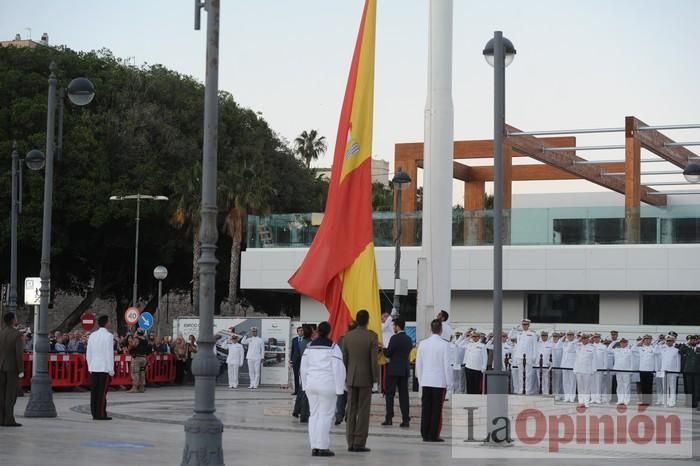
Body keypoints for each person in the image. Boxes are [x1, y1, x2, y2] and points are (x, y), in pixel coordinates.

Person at [300, 321, 346, 457]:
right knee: (325, 415)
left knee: (313, 415)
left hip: (311, 385)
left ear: (318, 331)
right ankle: (322, 446)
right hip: (327, 385)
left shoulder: (309, 348)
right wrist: (340, 389)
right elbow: (338, 369)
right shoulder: (333, 348)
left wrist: (304, 385)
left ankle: (314, 446)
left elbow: (303, 368)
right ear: (329, 332)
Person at [342, 309, 379, 453]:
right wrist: (375, 379)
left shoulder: (348, 336)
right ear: (368, 320)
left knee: (351, 410)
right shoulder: (372, 337)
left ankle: (350, 441)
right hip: (365, 378)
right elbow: (373, 361)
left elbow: (344, 359)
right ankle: (359, 442)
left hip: (350, 377)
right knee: (363, 411)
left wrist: (345, 376)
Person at [416, 319, 452, 442]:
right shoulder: (444, 344)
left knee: (426, 408)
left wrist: (421, 380)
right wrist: (449, 383)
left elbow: (419, 365)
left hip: (426, 380)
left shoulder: (423, 343)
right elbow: (447, 366)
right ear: (441, 330)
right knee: (436, 409)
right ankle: (433, 434)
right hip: (439, 381)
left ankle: (424, 433)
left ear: (431, 329)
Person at [382, 316, 412, 427]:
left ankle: (389, 418)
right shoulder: (408, 339)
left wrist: (382, 348)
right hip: (404, 369)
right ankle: (406, 419)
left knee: (390, 394)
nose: (393, 327)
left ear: (397, 326)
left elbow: (388, 353)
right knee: (404, 395)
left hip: (393, 369)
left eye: (394, 325)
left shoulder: (394, 338)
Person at [86, 315, 115, 420]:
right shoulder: (108, 336)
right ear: (106, 323)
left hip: (94, 366)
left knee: (94, 391)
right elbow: (109, 353)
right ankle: (101, 413)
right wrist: (111, 368)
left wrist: (90, 365)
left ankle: (94, 412)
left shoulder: (92, 335)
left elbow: (88, 352)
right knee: (102, 393)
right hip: (104, 367)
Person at [0, 313, 24, 427]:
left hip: (1, 366)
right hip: (12, 367)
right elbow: (18, 354)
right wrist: (21, 369)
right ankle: (9, 419)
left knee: (1, 394)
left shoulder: (1, 333)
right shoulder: (17, 334)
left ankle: (1, 418)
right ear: (13, 320)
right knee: (10, 395)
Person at [335, 321, 357, 426]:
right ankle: (348, 416)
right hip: (353, 371)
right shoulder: (357, 339)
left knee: (341, 394)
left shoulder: (341, 339)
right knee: (351, 396)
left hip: (342, 370)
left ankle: (339, 416)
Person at [293, 324, 313, 422]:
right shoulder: (309, 343)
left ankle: (296, 410)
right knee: (305, 392)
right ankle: (304, 414)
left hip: (303, 368)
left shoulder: (303, 342)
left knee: (301, 390)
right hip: (308, 369)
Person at [572, 333, 595, 408]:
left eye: (586, 338)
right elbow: (571, 348)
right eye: (583, 338)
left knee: (587, 387)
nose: (584, 340)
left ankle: (586, 402)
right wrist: (577, 339)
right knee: (580, 387)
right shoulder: (578, 346)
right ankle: (581, 401)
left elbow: (594, 360)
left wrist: (593, 370)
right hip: (578, 369)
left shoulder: (592, 347)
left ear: (588, 339)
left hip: (587, 370)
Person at [659, 334, 681, 407]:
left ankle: (672, 401)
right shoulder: (662, 349)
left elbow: (678, 362)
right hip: (664, 371)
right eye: (667, 341)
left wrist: (677, 372)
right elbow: (655, 351)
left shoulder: (676, 350)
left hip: (673, 371)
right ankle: (665, 401)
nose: (669, 342)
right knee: (664, 387)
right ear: (666, 341)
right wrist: (660, 342)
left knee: (672, 387)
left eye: (671, 341)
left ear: (673, 341)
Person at [128, 328, 151, 393]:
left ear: (137, 332)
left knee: (136, 373)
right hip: (144, 358)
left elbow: (132, 346)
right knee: (142, 372)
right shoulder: (146, 340)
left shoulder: (136, 339)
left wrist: (131, 340)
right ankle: (142, 387)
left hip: (137, 357)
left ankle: (135, 387)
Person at [636, 334, 655, 406]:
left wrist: (655, 370)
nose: (647, 341)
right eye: (646, 339)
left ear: (651, 340)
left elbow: (656, 357)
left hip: (650, 369)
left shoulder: (653, 348)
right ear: (643, 340)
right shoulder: (640, 348)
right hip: (642, 369)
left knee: (649, 386)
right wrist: (640, 341)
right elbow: (633, 349)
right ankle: (644, 401)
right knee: (643, 386)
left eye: (649, 339)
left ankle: (649, 401)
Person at [613, 338, 633, 405]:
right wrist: (615, 341)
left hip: (626, 370)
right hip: (618, 370)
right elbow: (608, 350)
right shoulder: (616, 350)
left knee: (626, 385)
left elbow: (632, 361)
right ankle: (620, 399)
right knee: (619, 385)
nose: (622, 344)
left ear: (627, 343)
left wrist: (631, 371)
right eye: (621, 342)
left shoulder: (629, 351)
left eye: (624, 342)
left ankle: (626, 400)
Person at [290, 326, 304, 395]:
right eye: (299, 331)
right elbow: (292, 350)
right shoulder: (294, 339)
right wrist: (291, 360)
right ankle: (296, 391)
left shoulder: (306, 339)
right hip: (295, 360)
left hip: (303, 360)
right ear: (297, 332)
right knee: (296, 376)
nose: (300, 332)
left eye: (302, 330)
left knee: (303, 376)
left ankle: (303, 391)